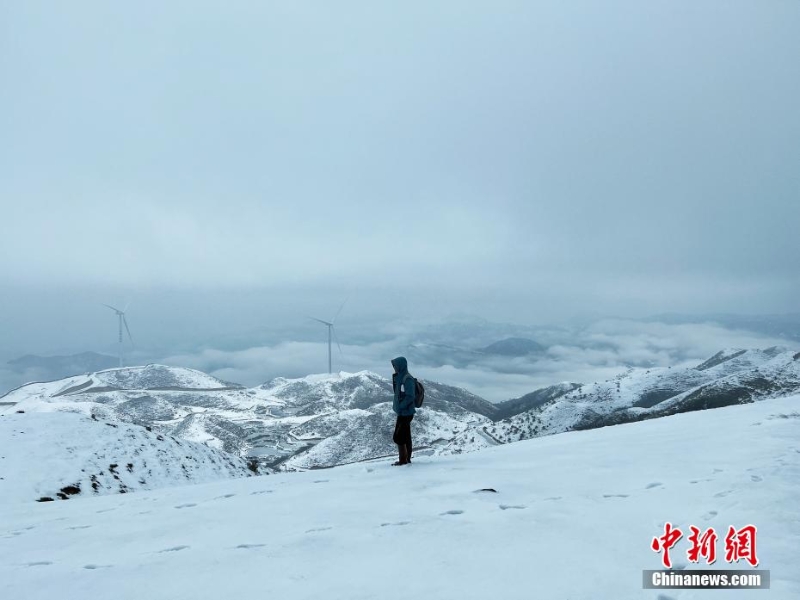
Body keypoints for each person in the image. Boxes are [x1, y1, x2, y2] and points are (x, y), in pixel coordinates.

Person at [391, 356, 415, 466]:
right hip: (402, 412)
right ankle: (407, 458)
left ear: (401, 366)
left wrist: (401, 405)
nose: (394, 368)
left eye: (395, 366)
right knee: (405, 436)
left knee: (399, 437)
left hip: (406, 412)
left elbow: (410, 396)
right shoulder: (400, 377)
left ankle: (403, 460)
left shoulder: (407, 378)